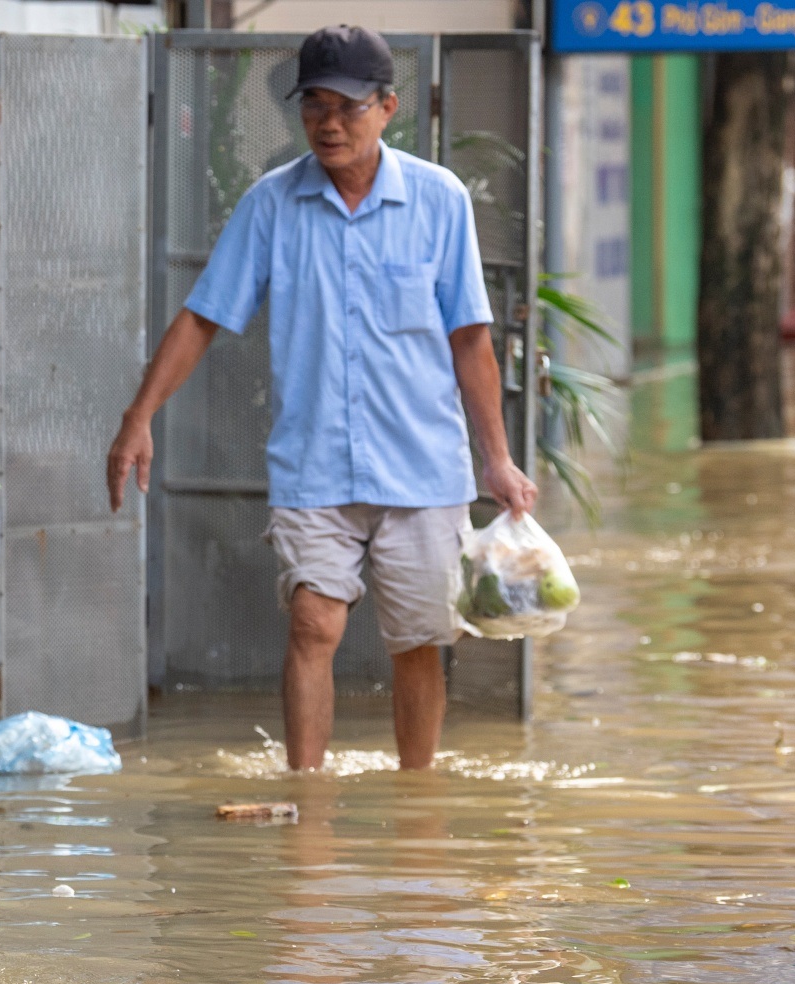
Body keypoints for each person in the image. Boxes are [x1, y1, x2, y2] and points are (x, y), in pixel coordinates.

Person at [105, 25, 537, 772]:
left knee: (417, 644)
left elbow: (472, 339)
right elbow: (204, 315)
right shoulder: (271, 205)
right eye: (314, 107)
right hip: (314, 467)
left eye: (347, 107)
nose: (328, 124)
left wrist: (495, 459)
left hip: (424, 468)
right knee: (312, 624)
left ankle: (417, 803)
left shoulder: (439, 200)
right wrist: (137, 417)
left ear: (388, 107)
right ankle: (306, 802)